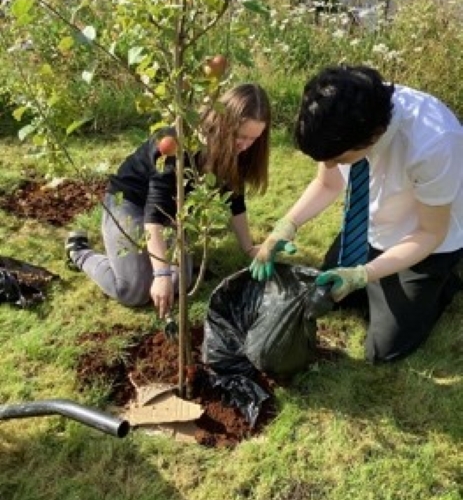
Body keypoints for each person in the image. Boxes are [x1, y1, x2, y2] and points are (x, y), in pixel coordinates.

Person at [250, 65, 463, 363]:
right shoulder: (341, 110)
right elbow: (326, 183)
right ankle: (378, 276)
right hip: (371, 225)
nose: (331, 163)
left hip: (425, 241)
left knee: (384, 351)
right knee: (327, 294)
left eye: (338, 159)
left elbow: (431, 233)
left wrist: (364, 274)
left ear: (373, 136)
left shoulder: (434, 143)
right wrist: (286, 225)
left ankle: (443, 282)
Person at [66, 83, 271, 319]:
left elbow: (235, 199)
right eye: (240, 136)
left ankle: (138, 258)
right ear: (223, 123)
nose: (245, 145)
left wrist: (248, 247)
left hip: (170, 211)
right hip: (130, 201)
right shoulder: (177, 143)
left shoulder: (239, 151)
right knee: (133, 290)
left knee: (179, 282)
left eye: (253, 138)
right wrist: (161, 274)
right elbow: (155, 210)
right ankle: (79, 252)